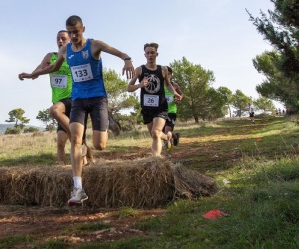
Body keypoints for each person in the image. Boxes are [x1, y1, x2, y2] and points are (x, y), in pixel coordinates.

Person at [19, 15, 135, 206]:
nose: (73, 36)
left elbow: (116, 51)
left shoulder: (94, 45)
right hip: (78, 100)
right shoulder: (65, 50)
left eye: (76, 32)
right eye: (70, 32)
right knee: (75, 139)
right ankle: (78, 189)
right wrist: (33, 74)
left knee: (99, 145)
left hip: (97, 99)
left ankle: (106, 123)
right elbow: (53, 68)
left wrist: (127, 59)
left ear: (83, 29)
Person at [20, 30, 94, 165]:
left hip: (73, 100)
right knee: (61, 142)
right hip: (59, 101)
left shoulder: (73, 56)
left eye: (63, 39)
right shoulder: (50, 56)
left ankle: (85, 162)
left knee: (57, 114)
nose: (60, 41)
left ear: (70, 40)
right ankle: (61, 168)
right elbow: (37, 73)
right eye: (58, 39)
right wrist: (31, 74)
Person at [127, 43, 181, 157]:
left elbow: (168, 84)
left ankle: (155, 162)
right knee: (155, 135)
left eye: (152, 52)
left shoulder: (163, 70)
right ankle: (167, 137)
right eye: (148, 53)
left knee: (156, 133)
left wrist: (175, 93)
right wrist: (140, 85)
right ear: (145, 55)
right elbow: (129, 88)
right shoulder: (140, 70)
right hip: (147, 108)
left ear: (157, 54)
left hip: (160, 107)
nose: (150, 55)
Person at [164, 66, 183, 147]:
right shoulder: (158, 85)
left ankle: (167, 150)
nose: (167, 76)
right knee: (165, 132)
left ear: (171, 75)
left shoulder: (174, 85)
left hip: (171, 111)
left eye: (168, 74)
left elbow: (181, 94)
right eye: (165, 74)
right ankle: (175, 136)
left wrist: (179, 99)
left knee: (167, 130)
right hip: (161, 112)